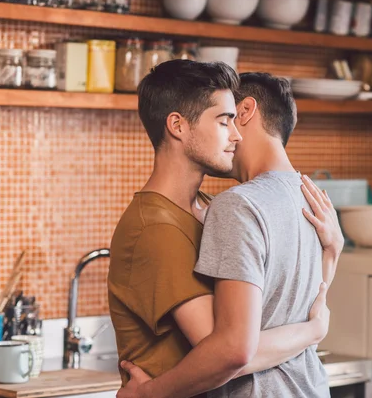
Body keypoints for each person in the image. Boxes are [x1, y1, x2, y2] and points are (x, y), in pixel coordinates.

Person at [112, 68, 344, 398]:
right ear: (177, 126)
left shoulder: (217, 208)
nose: (235, 135)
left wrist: (330, 258)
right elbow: (229, 351)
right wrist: (313, 330)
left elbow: (253, 332)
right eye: (224, 121)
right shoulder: (158, 227)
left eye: (235, 120)